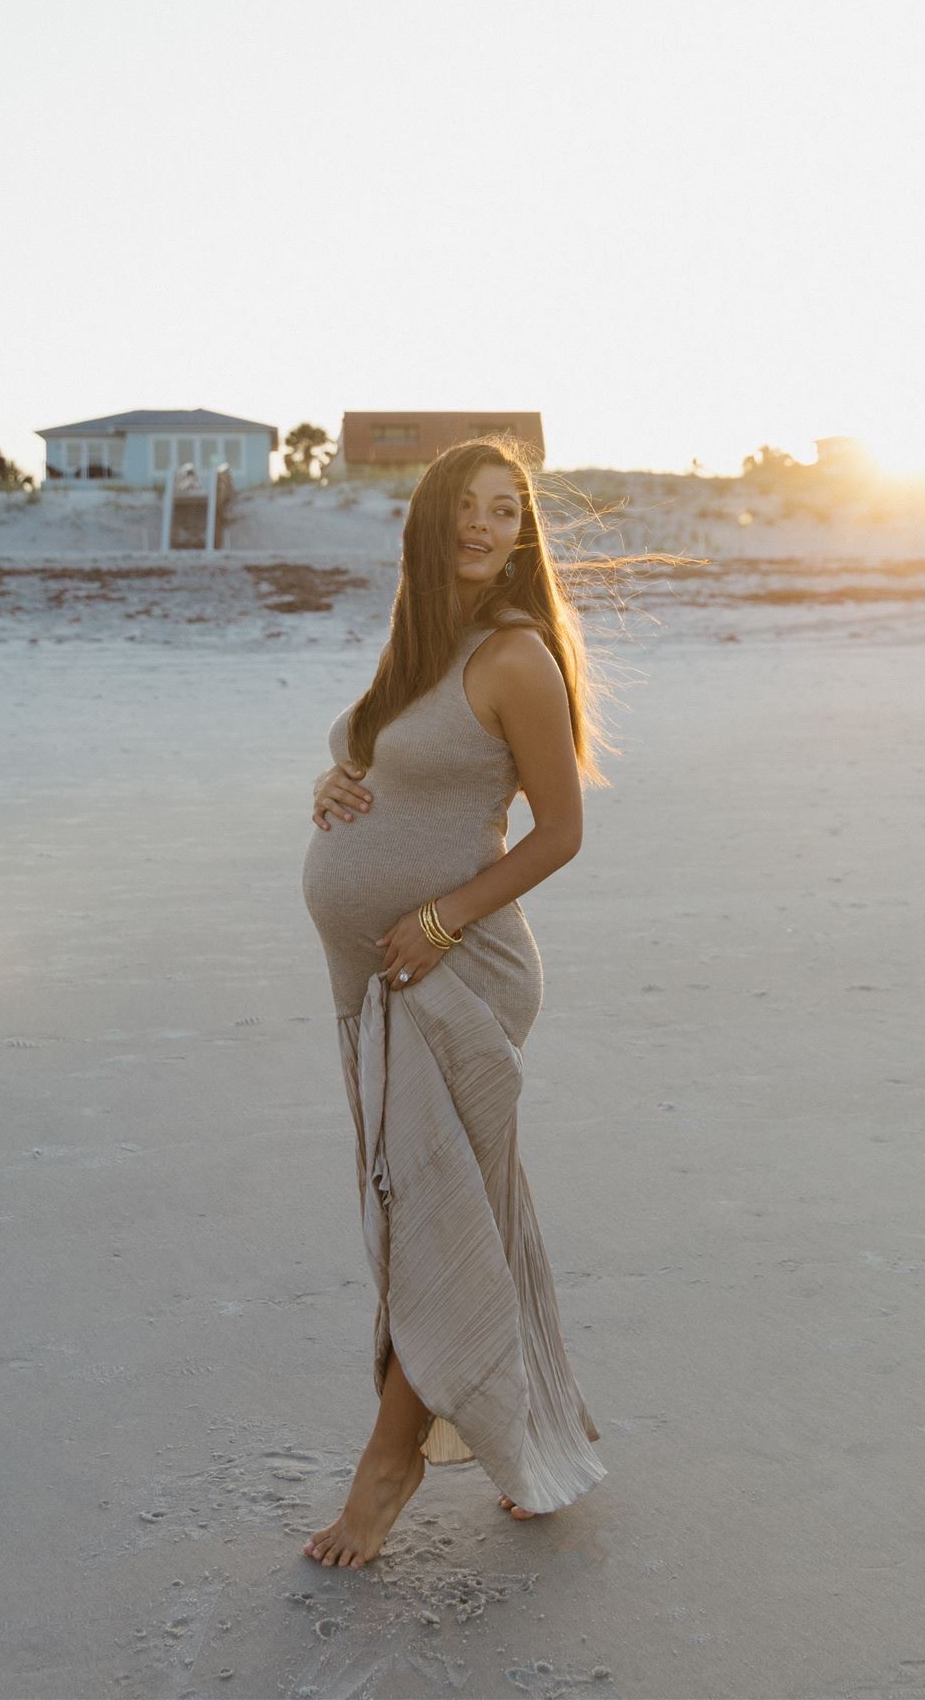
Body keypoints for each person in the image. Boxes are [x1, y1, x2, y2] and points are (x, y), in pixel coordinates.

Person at [300, 435, 681, 1570]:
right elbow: (393, 765)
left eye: (507, 509)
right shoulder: (420, 644)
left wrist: (440, 920)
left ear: (523, 535)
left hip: (454, 973)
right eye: (468, 505)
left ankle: (388, 1468)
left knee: (435, 1220)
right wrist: (335, 779)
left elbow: (559, 833)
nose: (485, 524)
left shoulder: (516, 655)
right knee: (459, 1209)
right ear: (430, 521)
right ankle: (536, 1430)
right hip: (380, 976)